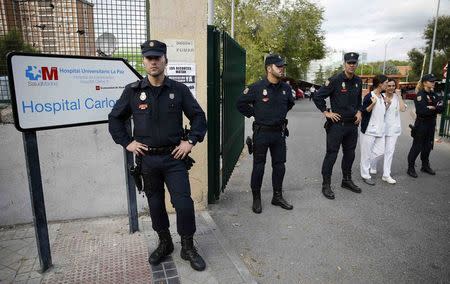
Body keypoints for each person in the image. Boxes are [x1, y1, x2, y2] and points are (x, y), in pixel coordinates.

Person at [108, 40, 207, 271]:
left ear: (165, 61)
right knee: (155, 204)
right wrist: (127, 142)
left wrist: (190, 141)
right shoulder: (133, 91)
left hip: (174, 159)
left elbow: (199, 117)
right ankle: (165, 243)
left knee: (183, 203)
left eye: (157, 58)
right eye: (149, 58)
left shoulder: (178, 90)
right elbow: (114, 119)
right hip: (147, 160)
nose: (153, 62)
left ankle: (188, 246)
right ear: (143, 62)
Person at [236, 54, 295, 213]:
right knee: (259, 167)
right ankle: (256, 198)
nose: (282, 69)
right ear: (269, 68)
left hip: (279, 133)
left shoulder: (286, 89)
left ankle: (277, 196)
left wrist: (277, 116)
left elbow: (290, 104)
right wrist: (255, 113)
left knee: (279, 166)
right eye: (278, 66)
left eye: (283, 66)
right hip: (262, 133)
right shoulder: (256, 88)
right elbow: (240, 103)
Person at [313, 52, 362, 199]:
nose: (352, 65)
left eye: (354, 63)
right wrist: (326, 112)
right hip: (337, 125)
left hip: (352, 125)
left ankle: (346, 180)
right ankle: (326, 185)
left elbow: (359, 100)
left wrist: (359, 111)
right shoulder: (334, 80)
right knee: (332, 155)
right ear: (344, 64)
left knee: (350, 154)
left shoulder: (358, 81)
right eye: (349, 63)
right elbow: (318, 96)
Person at [407, 73, 443, 177]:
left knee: (428, 146)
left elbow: (441, 108)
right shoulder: (420, 95)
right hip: (421, 124)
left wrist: (432, 108)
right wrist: (433, 108)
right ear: (424, 83)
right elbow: (422, 111)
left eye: (434, 81)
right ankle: (410, 167)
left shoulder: (434, 95)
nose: (433, 82)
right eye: (431, 81)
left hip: (431, 124)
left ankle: (425, 165)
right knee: (417, 146)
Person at [359, 74, 388, 185]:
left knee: (381, 151)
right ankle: (365, 175)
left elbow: (381, 113)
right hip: (368, 130)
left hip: (380, 130)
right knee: (365, 154)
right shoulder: (369, 96)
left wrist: (387, 105)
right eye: (386, 83)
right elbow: (364, 111)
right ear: (380, 84)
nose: (387, 85)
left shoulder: (382, 97)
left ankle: (366, 165)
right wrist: (373, 103)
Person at [379, 78, 406, 184]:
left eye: (393, 86)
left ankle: (386, 174)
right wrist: (386, 105)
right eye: (389, 85)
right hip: (380, 128)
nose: (391, 88)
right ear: (385, 86)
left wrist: (399, 96)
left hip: (393, 129)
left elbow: (403, 109)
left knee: (389, 152)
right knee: (378, 151)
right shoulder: (381, 97)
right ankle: (371, 166)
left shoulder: (397, 97)